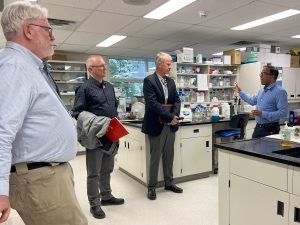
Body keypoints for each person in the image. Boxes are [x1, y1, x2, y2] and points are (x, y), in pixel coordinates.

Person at [0, 1, 87, 225]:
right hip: (39, 178)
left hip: (47, 175)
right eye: (48, 30)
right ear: (28, 30)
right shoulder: (15, 66)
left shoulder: (28, 67)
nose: (53, 38)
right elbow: (2, 132)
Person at [72, 55, 124, 219]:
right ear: (90, 69)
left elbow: (112, 108)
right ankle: (95, 204)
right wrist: (98, 123)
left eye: (105, 66)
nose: (105, 68)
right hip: (95, 137)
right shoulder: (84, 88)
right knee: (94, 172)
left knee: (107, 168)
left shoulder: (108, 86)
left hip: (111, 134)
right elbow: (77, 113)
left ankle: (106, 196)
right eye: (101, 66)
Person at [142, 52, 182, 200]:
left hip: (170, 125)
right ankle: (151, 187)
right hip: (156, 124)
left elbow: (177, 100)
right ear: (159, 65)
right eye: (168, 64)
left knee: (169, 155)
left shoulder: (171, 82)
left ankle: (169, 183)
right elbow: (152, 104)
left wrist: (175, 116)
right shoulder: (149, 81)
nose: (170, 67)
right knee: (155, 157)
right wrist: (170, 117)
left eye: (170, 64)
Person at [235, 64, 288, 138]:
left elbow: (283, 113)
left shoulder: (280, 92)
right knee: (253, 149)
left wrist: (262, 114)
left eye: (263, 74)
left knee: (267, 149)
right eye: (261, 74)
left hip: (270, 129)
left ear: (272, 76)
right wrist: (240, 92)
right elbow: (252, 101)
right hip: (258, 127)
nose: (261, 76)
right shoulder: (262, 91)